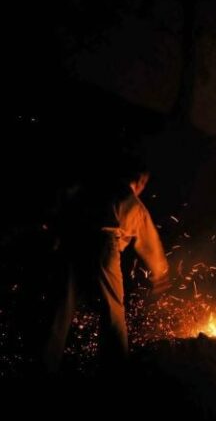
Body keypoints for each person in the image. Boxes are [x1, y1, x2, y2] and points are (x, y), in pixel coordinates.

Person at [43, 155, 170, 371]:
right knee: (112, 311)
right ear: (139, 180)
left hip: (72, 241)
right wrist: (160, 272)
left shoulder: (92, 189)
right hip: (103, 245)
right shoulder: (129, 199)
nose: (143, 188)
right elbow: (148, 241)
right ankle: (116, 369)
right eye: (144, 183)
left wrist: (55, 237)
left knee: (60, 308)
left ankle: (44, 364)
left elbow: (63, 207)